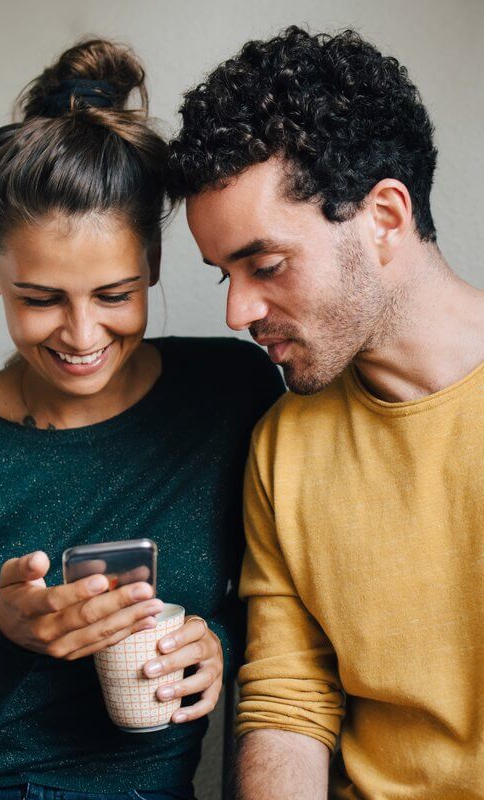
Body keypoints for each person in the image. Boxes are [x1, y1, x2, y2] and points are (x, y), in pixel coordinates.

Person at [0, 39, 283, 800]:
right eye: (39, 300)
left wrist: (218, 644)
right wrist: (4, 641)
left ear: (155, 266)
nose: (81, 336)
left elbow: (284, 604)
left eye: (114, 294)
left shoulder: (228, 395)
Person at [166, 25, 484, 800]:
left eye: (266, 265)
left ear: (383, 216)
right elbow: (288, 698)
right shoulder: (284, 445)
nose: (240, 309)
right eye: (224, 276)